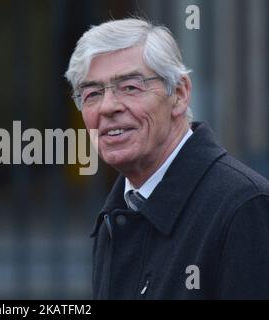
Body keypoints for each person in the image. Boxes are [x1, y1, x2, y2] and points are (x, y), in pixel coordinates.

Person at [65, 18, 269, 299]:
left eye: (131, 87)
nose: (108, 106)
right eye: (92, 94)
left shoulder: (243, 206)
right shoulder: (117, 215)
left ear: (180, 94)